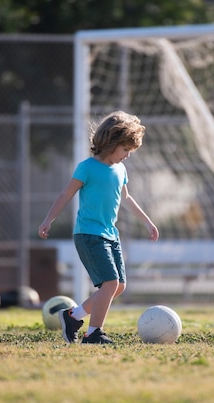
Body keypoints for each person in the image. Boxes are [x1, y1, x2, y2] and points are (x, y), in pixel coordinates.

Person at [38, 111, 159, 344]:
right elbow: (66, 194)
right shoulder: (88, 167)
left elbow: (127, 198)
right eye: (126, 150)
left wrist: (147, 221)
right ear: (111, 142)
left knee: (119, 286)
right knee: (110, 284)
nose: (127, 156)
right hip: (89, 234)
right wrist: (48, 219)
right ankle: (93, 333)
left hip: (110, 234)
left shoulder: (121, 170)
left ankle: (73, 317)